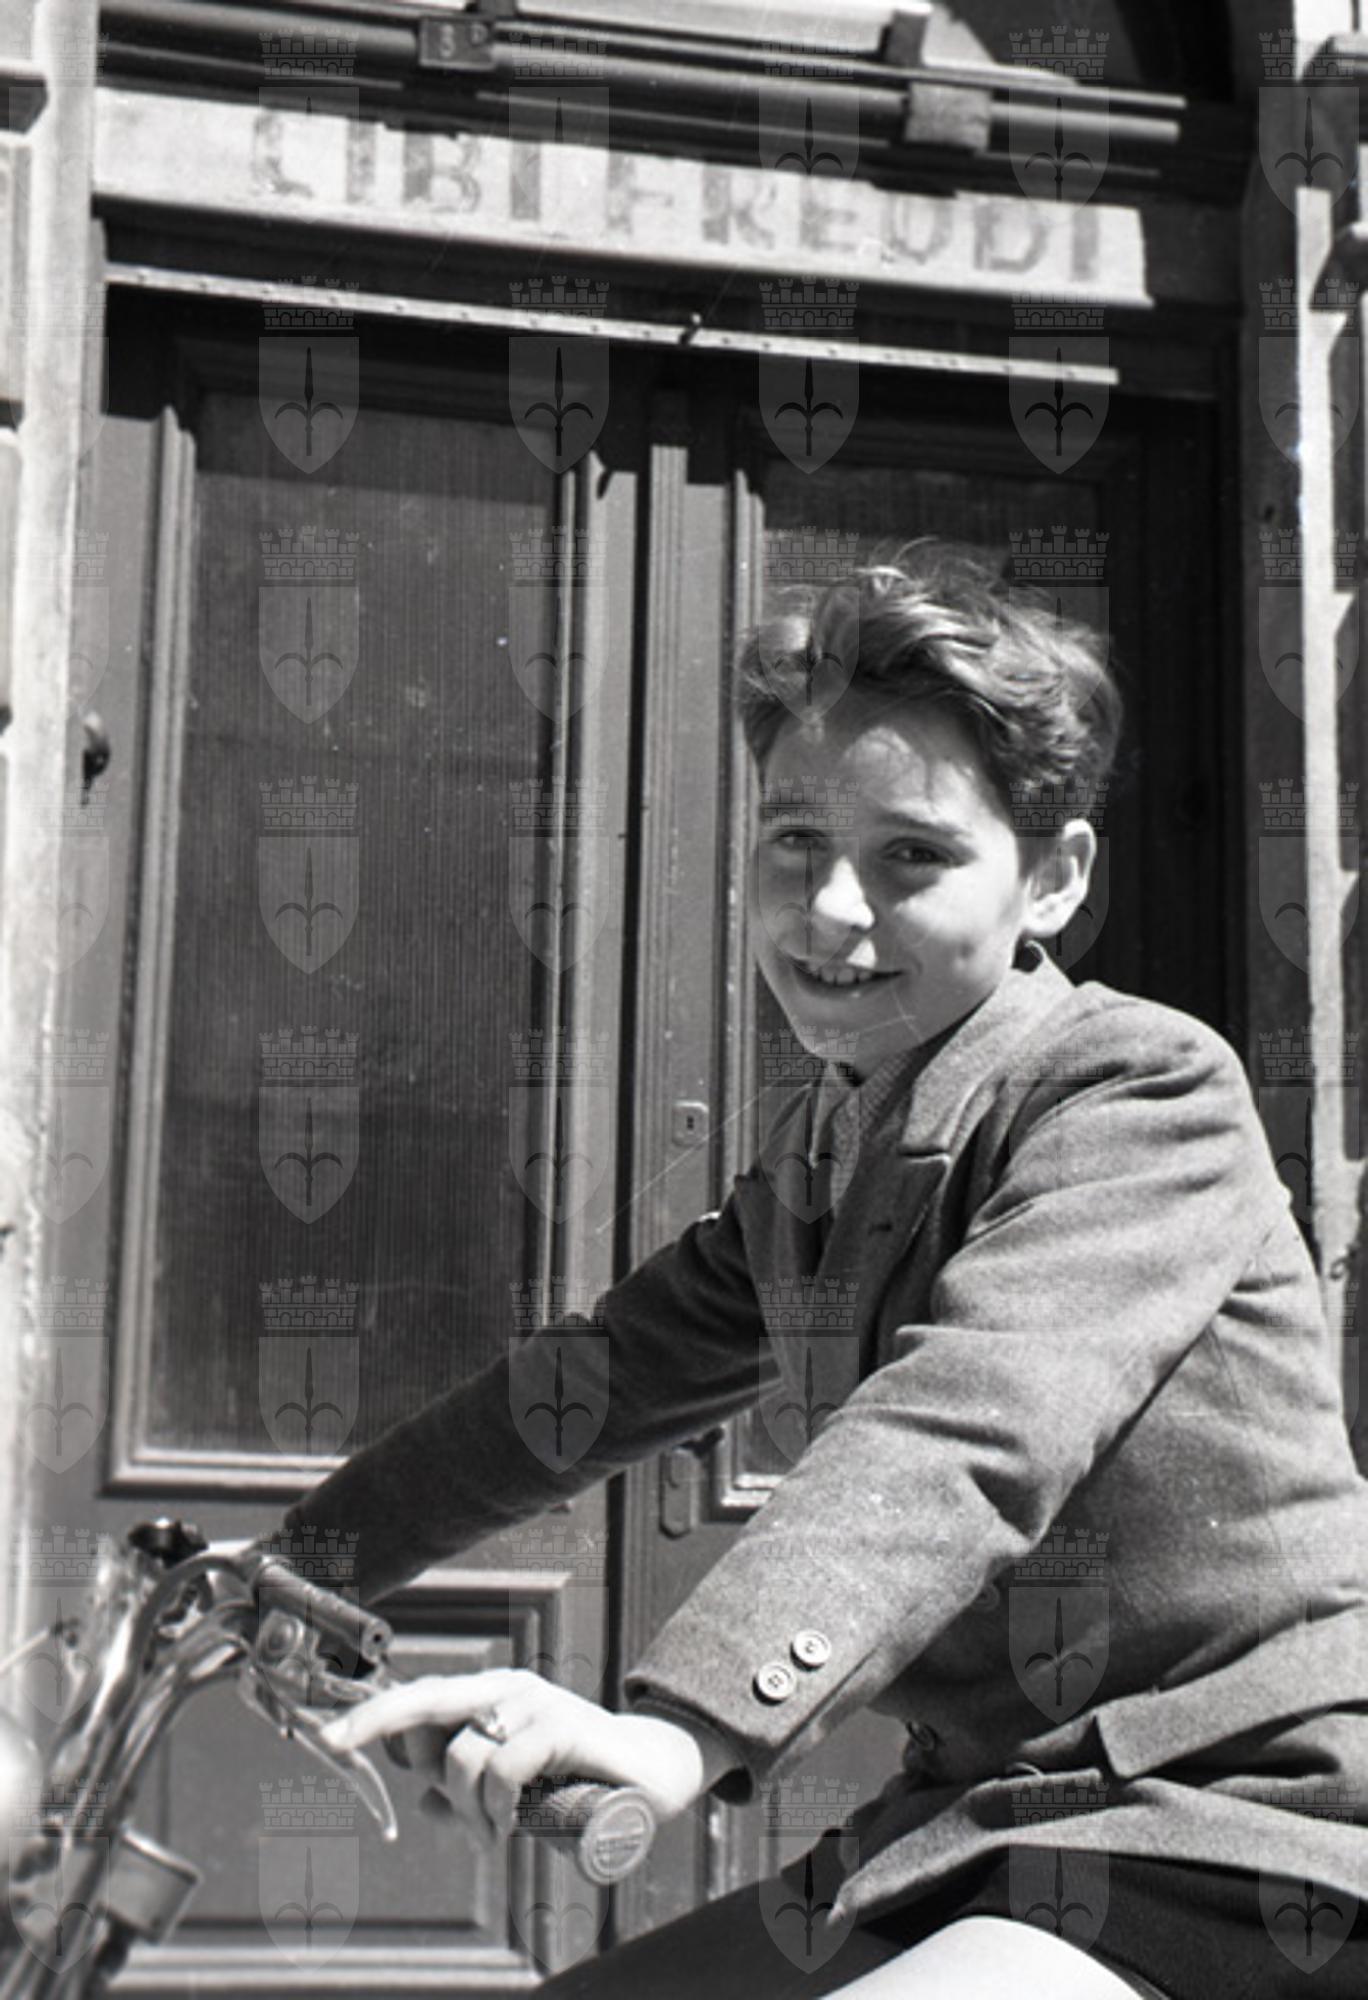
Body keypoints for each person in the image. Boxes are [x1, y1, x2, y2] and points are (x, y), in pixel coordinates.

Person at [277, 542, 1368, 1996]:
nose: (832, 909)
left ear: (1053, 879)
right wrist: (301, 1563)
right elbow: (591, 1381)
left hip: (1238, 1824)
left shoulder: (1136, 1089)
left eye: (912, 854)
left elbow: (968, 1425)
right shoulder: (822, 1158)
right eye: (796, 839)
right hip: (984, 1825)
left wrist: (681, 1728)